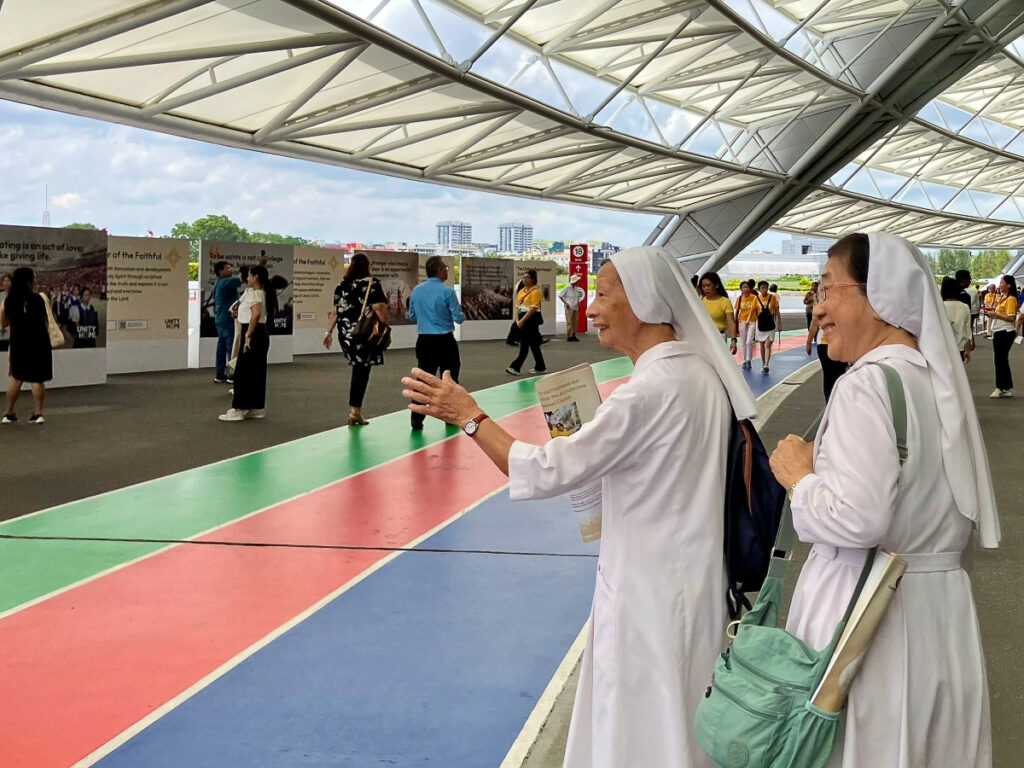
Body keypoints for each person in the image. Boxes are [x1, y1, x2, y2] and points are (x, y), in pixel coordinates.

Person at [401, 245, 757, 768]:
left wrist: (470, 416)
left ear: (643, 301)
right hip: (696, 584)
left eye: (605, 294)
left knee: (640, 726)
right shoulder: (701, 377)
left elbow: (547, 468)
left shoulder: (647, 394)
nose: (591, 307)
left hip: (647, 595)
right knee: (681, 721)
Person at [770, 232, 998, 768]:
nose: (818, 307)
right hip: (938, 608)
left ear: (882, 296)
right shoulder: (929, 380)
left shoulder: (865, 385)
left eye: (829, 288)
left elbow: (856, 517)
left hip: (867, 618)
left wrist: (798, 476)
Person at [324, 253, 389, 426]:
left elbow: (335, 311)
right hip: (364, 333)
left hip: (345, 334)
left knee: (358, 368)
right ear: (367, 266)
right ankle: (355, 411)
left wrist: (328, 332)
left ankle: (355, 410)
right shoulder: (371, 284)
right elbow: (380, 307)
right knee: (362, 370)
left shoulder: (342, 285)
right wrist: (385, 327)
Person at [407, 256, 464, 430]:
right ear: (440, 271)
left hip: (424, 340)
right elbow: (458, 318)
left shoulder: (416, 291)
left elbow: (412, 316)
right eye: (446, 268)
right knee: (450, 378)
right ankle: (450, 416)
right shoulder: (447, 292)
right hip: (445, 340)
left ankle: (416, 419)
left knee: (423, 380)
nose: (447, 271)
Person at [219, 266, 276, 421]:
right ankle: (256, 407)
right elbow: (252, 312)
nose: (247, 278)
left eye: (249, 276)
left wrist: (249, 335)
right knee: (256, 372)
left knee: (243, 372)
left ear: (256, 277)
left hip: (253, 333)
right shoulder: (257, 293)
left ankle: (238, 409)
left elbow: (256, 314)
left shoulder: (255, 294)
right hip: (258, 333)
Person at [1, 268, 53, 424]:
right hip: (38, 343)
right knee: (37, 379)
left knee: (17, 378)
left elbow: (4, 323)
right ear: (29, 281)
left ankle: (9, 413)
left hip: (19, 343)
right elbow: (45, 321)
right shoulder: (38, 299)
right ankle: (38, 413)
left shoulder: (9, 300)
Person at [981, 273, 1018, 398]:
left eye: (1002, 282)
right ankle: (1005, 387)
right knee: (1001, 360)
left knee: (1000, 360)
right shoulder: (1004, 298)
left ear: (1008, 285)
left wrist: (995, 315)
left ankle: (1000, 387)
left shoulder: (1011, 299)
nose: (1000, 285)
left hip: (1005, 332)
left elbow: (1011, 317)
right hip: (1000, 331)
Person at [506, 269, 546, 375]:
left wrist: (522, 320)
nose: (524, 279)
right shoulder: (521, 291)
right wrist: (517, 320)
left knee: (524, 344)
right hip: (522, 318)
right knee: (533, 345)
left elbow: (533, 309)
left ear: (533, 279)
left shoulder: (536, 292)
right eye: (523, 277)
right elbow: (518, 307)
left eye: (527, 277)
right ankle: (540, 366)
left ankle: (516, 366)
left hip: (531, 320)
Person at [805, 314, 847, 401]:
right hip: (838, 343)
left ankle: (830, 402)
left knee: (829, 376)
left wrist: (809, 342)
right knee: (838, 375)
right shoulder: (847, 304)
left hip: (826, 343)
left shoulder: (822, 304)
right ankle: (835, 402)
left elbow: (815, 323)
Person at [212, 260, 241, 383]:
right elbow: (242, 279)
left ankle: (220, 374)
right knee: (231, 347)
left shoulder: (217, 283)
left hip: (220, 319)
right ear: (220, 271)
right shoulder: (227, 282)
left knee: (221, 347)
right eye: (228, 268)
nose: (231, 270)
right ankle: (232, 374)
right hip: (229, 319)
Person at [699, 271, 737, 356]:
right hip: (703, 338)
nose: (705, 289)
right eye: (703, 286)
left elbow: (731, 322)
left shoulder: (725, 302)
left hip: (719, 338)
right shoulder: (700, 301)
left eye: (708, 285)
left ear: (716, 285)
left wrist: (733, 340)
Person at [941, 277, 973, 363]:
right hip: (960, 348)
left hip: (943, 348)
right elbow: (967, 332)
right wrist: (968, 351)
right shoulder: (965, 307)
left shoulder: (940, 307)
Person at [754, 280, 781, 373]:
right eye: (762, 288)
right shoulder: (756, 298)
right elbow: (753, 312)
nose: (764, 290)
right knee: (761, 345)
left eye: (766, 288)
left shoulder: (772, 297)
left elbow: (777, 311)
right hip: (760, 324)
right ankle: (763, 362)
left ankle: (766, 364)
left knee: (767, 344)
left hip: (770, 324)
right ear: (759, 289)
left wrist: (780, 324)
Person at [733, 280, 758, 369]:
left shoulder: (754, 298)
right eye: (743, 287)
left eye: (747, 287)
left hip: (752, 322)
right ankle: (744, 360)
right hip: (741, 322)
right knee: (743, 342)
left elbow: (755, 309)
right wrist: (734, 322)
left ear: (749, 288)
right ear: (741, 289)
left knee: (749, 341)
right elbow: (737, 311)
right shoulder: (739, 299)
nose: (745, 289)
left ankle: (749, 360)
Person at [559, 273, 584, 342]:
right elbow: (560, 296)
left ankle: (573, 334)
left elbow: (576, 297)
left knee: (575, 322)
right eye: (576, 281)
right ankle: (569, 335)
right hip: (569, 307)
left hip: (575, 306)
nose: (577, 282)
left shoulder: (575, 288)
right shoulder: (567, 288)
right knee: (570, 322)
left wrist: (578, 304)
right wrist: (566, 303)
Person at [0, 272, 11, 351]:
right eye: (4, 281)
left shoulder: (16, 295)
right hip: (2, 323)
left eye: (8, 281)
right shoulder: (0, 296)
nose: (6, 283)